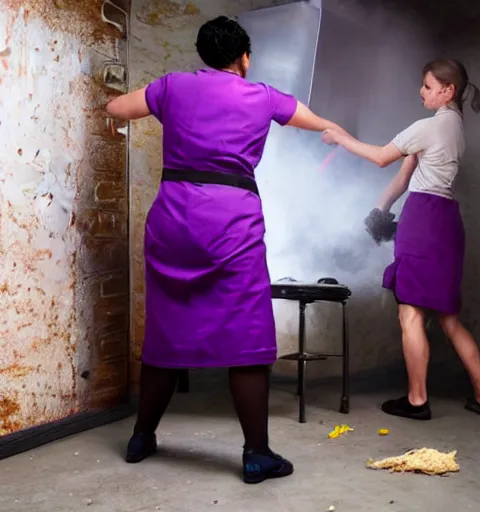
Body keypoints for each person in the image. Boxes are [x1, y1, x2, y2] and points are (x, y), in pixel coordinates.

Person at [106, 15, 351, 484]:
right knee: (247, 339)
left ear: (204, 54)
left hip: (173, 217)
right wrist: (334, 129)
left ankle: (141, 438)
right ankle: (256, 454)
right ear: (244, 58)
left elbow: (119, 108)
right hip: (231, 222)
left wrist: (108, 99)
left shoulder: (171, 87)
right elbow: (311, 119)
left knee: (166, 329)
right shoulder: (261, 96)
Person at [322, 58, 480, 421]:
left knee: (410, 313)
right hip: (446, 220)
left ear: (447, 90)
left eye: (427, 86)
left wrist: (339, 136)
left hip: (424, 219)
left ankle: (417, 400)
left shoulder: (429, 127)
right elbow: (406, 174)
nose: (421, 92)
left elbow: (381, 158)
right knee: (449, 318)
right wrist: (379, 210)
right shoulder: (453, 128)